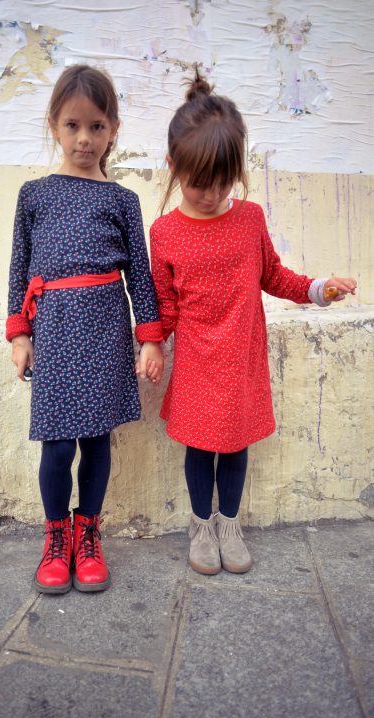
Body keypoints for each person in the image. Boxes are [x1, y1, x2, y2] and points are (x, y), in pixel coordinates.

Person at [150, 67, 357, 576]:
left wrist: (317, 290)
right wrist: (151, 343)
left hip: (241, 360)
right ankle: (201, 526)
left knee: (236, 448)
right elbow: (163, 306)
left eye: (223, 181)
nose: (211, 192)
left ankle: (230, 524)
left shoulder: (249, 220)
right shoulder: (165, 233)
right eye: (199, 183)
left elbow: (274, 276)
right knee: (200, 449)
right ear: (174, 167)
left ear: (238, 170)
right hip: (199, 362)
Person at [6, 65, 164, 594]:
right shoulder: (34, 195)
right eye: (73, 125)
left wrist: (149, 337)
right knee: (56, 445)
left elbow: (140, 277)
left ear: (114, 128)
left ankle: (88, 534)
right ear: (54, 125)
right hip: (52, 331)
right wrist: (20, 334)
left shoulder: (122, 201)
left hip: (105, 331)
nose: (84, 138)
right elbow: (19, 269)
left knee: (97, 441)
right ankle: (56, 538)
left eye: (97, 126)